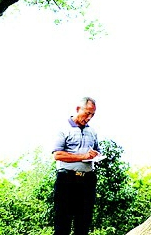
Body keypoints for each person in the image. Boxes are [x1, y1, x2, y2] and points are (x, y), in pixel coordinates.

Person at [52, 97, 101, 235]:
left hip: (87, 180)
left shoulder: (92, 132)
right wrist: (83, 157)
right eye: (87, 113)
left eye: (92, 115)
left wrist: (95, 155)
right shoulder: (63, 129)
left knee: (83, 223)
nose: (89, 117)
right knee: (63, 223)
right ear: (78, 109)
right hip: (67, 180)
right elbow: (58, 155)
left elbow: (97, 151)